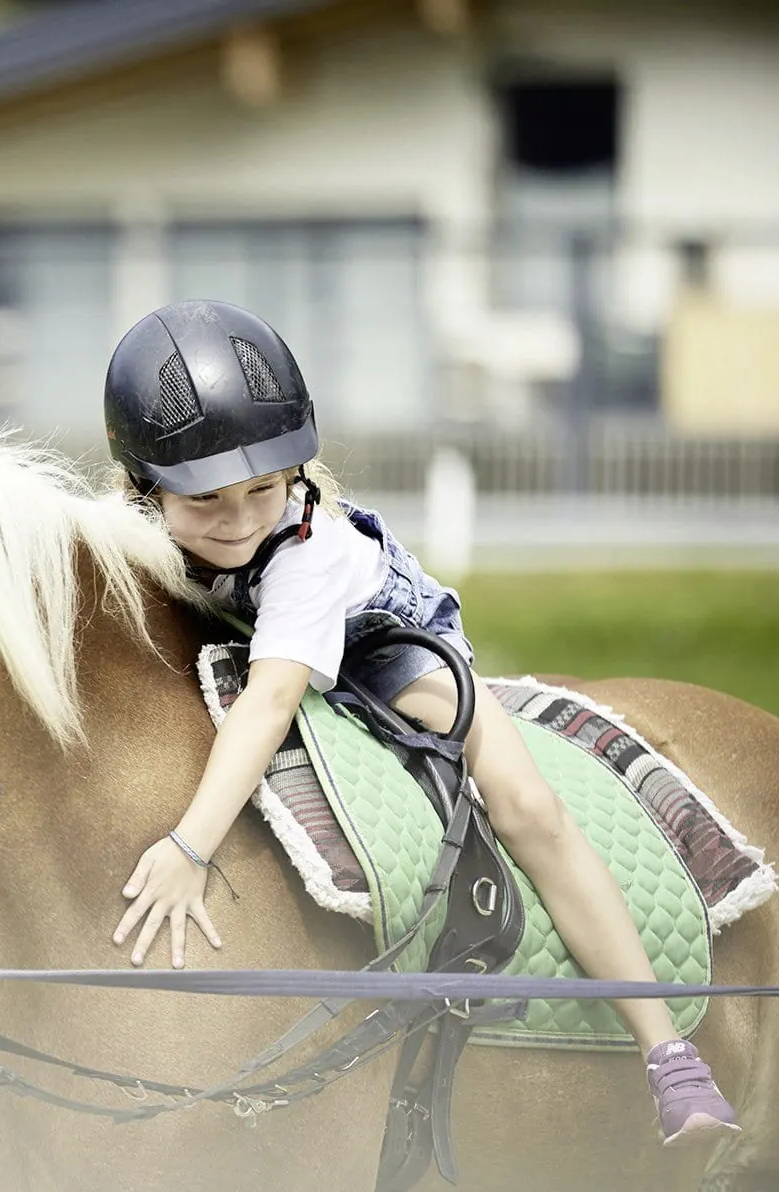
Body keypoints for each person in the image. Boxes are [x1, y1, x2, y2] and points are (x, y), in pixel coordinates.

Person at [102, 299, 738, 1147]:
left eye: (263, 488)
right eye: (207, 500)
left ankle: (668, 1054)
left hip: (386, 641)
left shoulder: (305, 555)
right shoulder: (126, 524)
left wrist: (190, 849)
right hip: (257, 633)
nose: (243, 519)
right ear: (143, 489)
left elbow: (271, 701)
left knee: (526, 807)